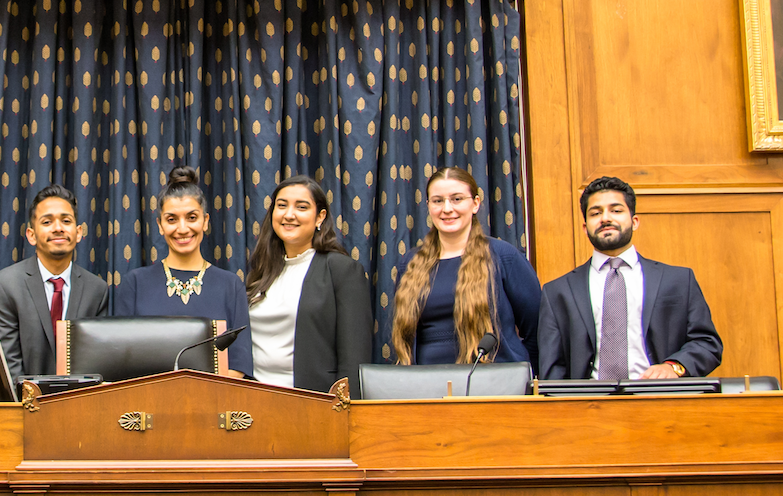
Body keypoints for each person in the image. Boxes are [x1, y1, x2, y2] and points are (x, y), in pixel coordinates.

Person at [538, 176, 723, 380]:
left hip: (660, 399)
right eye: (595, 213)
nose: (605, 218)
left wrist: (674, 367)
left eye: (616, 210)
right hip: (588, 404)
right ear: (585, 227)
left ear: (634, 222)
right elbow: (552, 367)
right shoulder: (558, 292)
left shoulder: (679, 280)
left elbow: (707, 343)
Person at [391, 167, 540, 370]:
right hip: (426, 387)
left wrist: (522, 378)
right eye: (437, 201)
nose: (447, 208)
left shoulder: (504, 257)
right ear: (428, 206)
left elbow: (536, 330)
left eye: (457, 199)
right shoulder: (410, 262)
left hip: (492, 388)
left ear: (475, 204)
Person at [114, 166, 252, 378]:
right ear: (160, 225)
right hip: (148, 406)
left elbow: (239, 363)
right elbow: (121, 360)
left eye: (191, 217)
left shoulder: (231, 285)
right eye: (171, 219)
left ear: (205, 221)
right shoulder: (134, 284)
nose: (182, 228)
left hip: (215, 404)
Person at [246, 175, 372, 396]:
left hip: (313, 404)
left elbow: (354, 359)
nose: (289, 214)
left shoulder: (342, 270)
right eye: (281, 206)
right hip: (254, 401)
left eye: (301, 207)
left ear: (320, 217)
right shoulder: (261, 271)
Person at [0, 185, 109, 379]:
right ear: (31, 235)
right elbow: (8, 366)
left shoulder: (97, 290)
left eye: (66, 221)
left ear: (78, 233)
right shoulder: (4, 286)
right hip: (25, 404)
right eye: (47, 222)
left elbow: (96, 363)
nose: (58, 228)